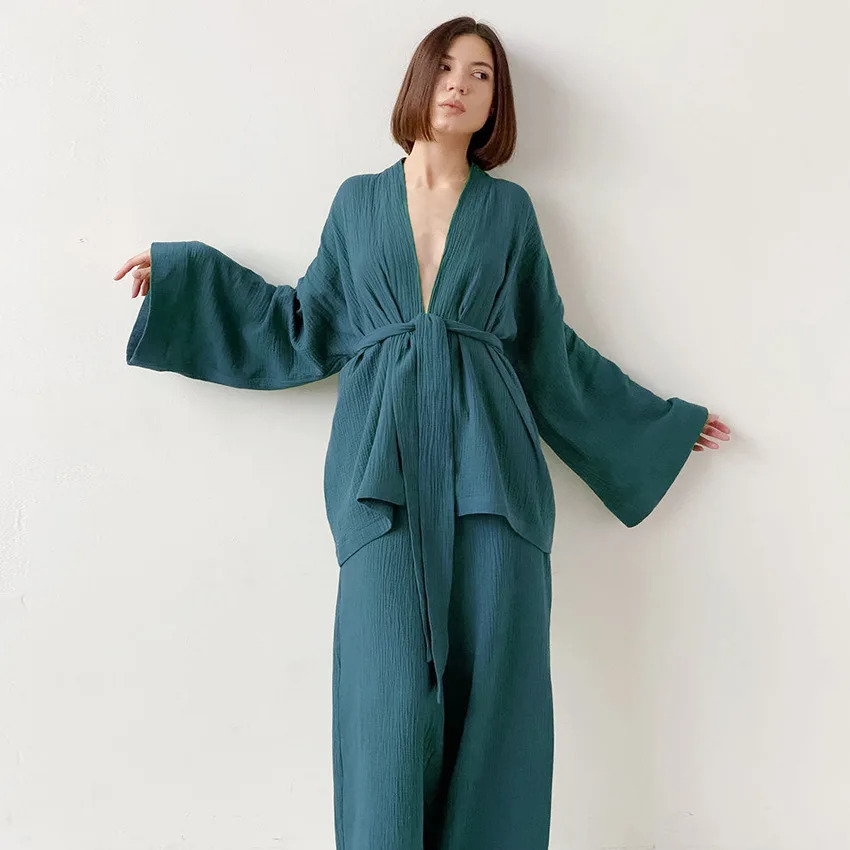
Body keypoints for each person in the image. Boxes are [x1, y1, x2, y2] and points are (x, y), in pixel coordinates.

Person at [114, 16, 731, 850]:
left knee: (498, 716)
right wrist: (184, 280)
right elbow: (301, 324)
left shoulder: (510, 212)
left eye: (481, 75)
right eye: (447, 67)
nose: (460, 85)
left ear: (495, 103)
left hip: (495, 489)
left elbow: (547, 354)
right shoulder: (357, 203)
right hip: (383, 491)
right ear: (419, 79)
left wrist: (656, 426)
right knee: (387, 716)